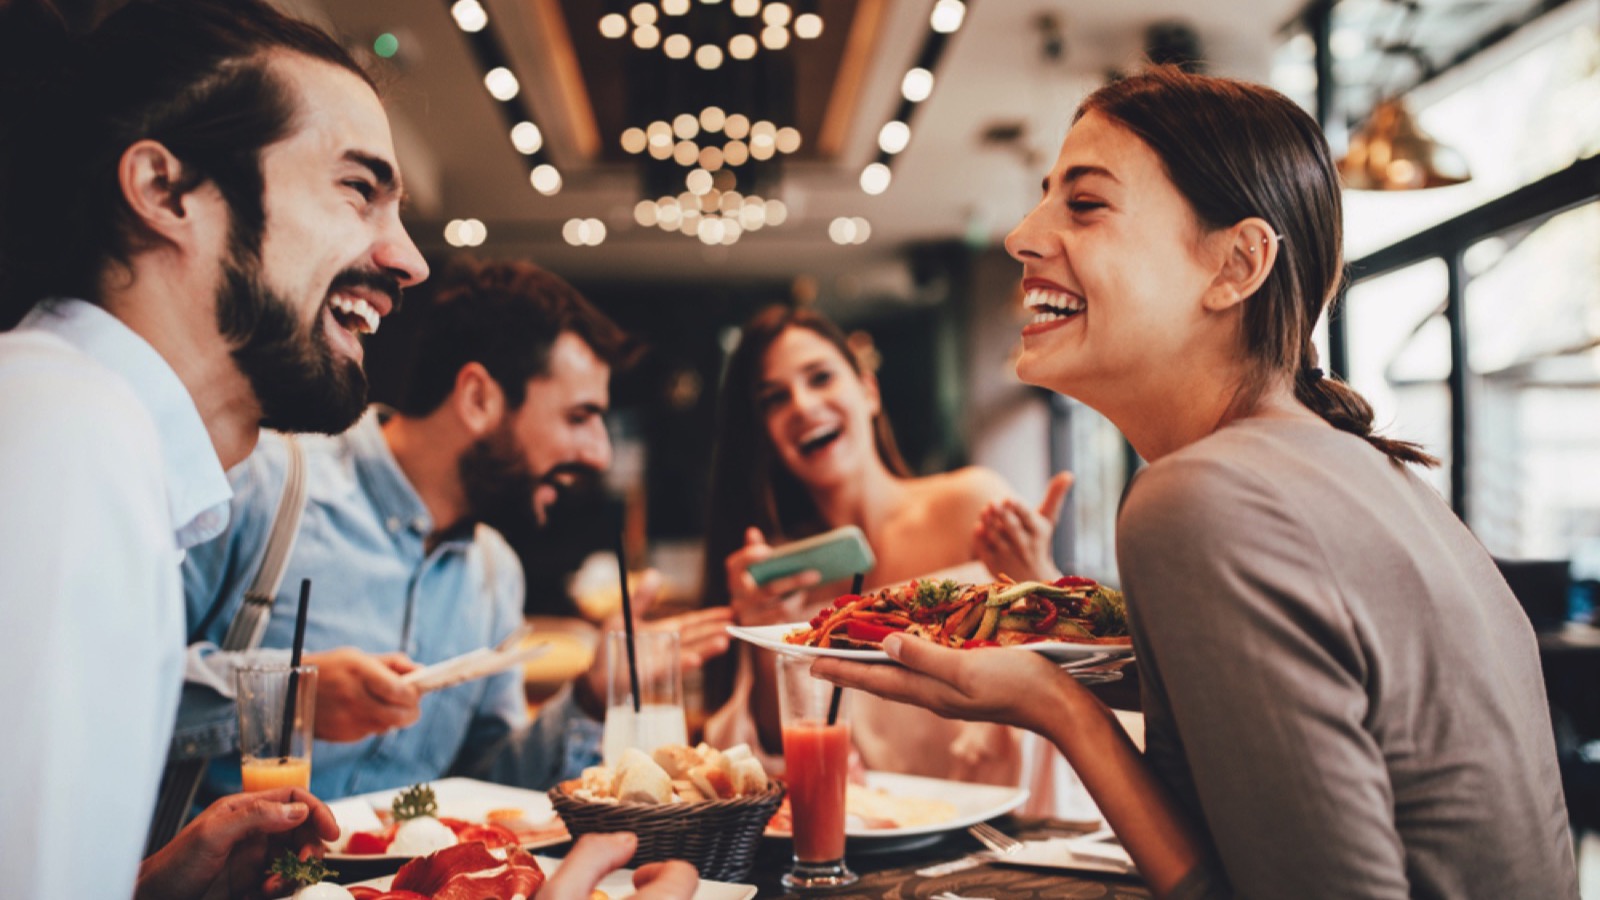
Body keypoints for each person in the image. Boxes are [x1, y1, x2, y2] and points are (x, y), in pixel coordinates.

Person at [812, 66, 1579, 899]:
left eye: (1086, 203)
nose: (1022, 237)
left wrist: (1061, 709)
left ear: (1235, 265)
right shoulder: (1375, 476)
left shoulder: (1201, 495)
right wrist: (1075, 658)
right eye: (1044, 199)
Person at [0, 2, 696, 896]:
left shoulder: (100, 441)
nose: (408, 259)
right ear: (168, 192)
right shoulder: (68, 439)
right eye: (358, 188)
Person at [181, 259, 733, 802]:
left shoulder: (494, 572)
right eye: (578, 417)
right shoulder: (261, 485)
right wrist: (290, 698)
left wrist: (591, 697)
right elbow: (112, 684)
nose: (599, 452)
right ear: (477, 398)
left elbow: (491, 786)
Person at [701, 305, 1072, 786]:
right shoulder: (783, 574)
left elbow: (1067, 685)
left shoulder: (970, 505)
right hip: (867, 839)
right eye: (774, 399)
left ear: (868, 391)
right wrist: (762, 637)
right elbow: (784, 749)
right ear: (764, 435)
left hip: (1004, 819)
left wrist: (1041, 579)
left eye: (820, 378)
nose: (801, 405)